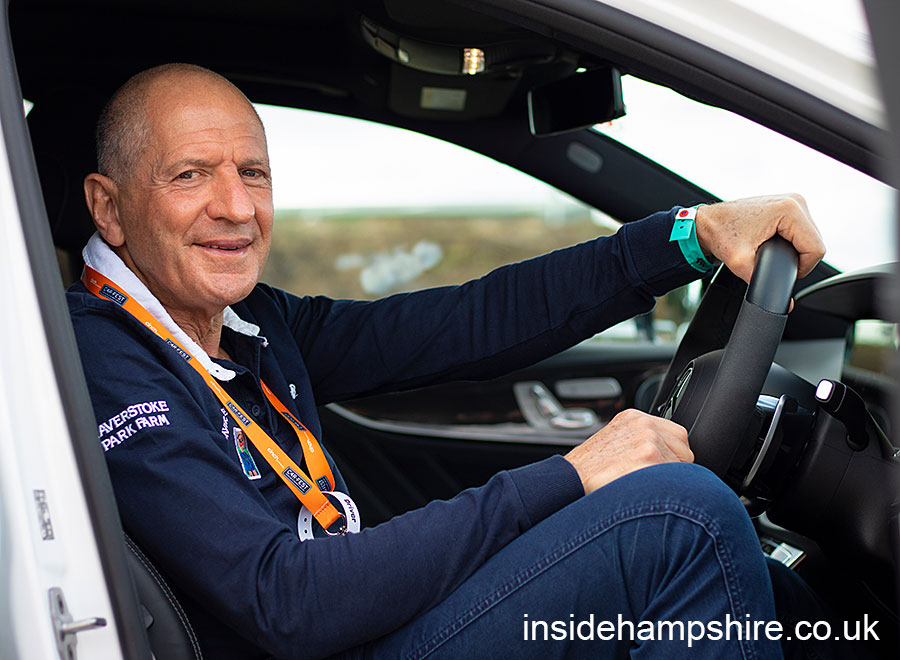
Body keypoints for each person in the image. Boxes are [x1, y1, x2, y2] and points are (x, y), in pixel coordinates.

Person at [68, 63, 828, 659]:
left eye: (253, 173)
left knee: (768, 589)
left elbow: (469, 323)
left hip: (364, 627)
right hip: (325, 639)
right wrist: (573, 474)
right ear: (109, 207)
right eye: (190, 174)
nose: (237, 207)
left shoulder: (252, 323)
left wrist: (687, 235)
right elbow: (286, 602)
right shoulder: (100, 358)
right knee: (683, 519)